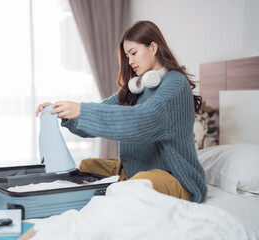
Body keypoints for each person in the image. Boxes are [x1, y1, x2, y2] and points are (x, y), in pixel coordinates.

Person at [35, 20, 207, 203]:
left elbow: (144, 120)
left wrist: (82, 111)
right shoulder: (137, 87)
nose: (130, 61)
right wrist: (64, 113)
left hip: (174, 176)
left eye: (134, 53)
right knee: (86, 167)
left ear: (153, 47)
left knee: (139, 184)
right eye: (127, 56)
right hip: (133, 169)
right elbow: (101, 114)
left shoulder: (175, 84)